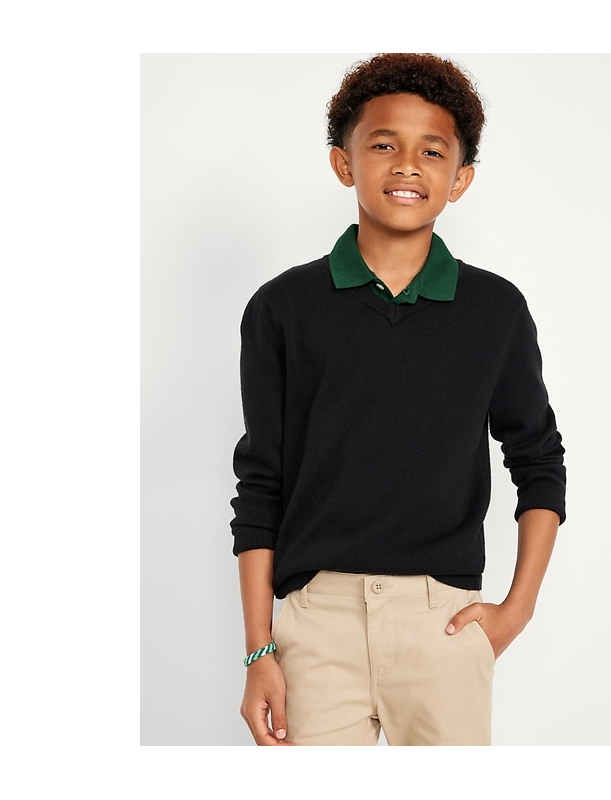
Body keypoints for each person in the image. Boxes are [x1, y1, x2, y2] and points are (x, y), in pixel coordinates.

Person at [230, 52, 566, 747]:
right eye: (383, 145)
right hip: (317, 623)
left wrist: (517, 610)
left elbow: (539, 461)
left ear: (460, 178)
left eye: (432, 151)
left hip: (442, 623)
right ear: (344, 163)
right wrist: (260, 648)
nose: (408, 165)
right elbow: (260, 482)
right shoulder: (283, 308)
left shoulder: (494, 311)